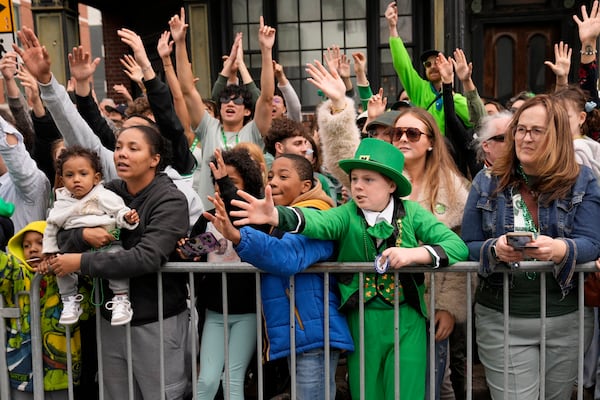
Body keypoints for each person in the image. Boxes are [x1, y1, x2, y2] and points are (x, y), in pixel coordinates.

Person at [228, 137, 468, 400]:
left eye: (368, 179)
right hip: (361, 321)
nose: (358, 187)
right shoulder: (346, 213)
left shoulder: (411, 213)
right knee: (367, 393)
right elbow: (318, 220)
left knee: (406, 393)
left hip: (408, 320)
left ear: (390, 184)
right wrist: (276, 216)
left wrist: (415, 254)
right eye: (354, 179)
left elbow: (456, 246)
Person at [461, 95, 600, 400]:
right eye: (520, 129)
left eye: (536, 130)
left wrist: (561, 249)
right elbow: (466, 245)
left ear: (558, 136)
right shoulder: (487, 181)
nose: (525, 137)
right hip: (502, 316)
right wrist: (493, 249)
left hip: (566, 316)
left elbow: (592, 242)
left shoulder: (583, 180)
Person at [44, 124, 191, 399]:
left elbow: (146, 256)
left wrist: (80, 262)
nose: (122, 154)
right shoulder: (106, 191)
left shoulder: (170, 200)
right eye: (119, 147)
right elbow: (59, 231)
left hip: (155, 319)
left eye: (133, 148)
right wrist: (83, 235)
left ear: (155, 159)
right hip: (110, 318)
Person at [205, 153, 354, 400]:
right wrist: (225, 185)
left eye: (283, 177)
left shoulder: (317, 215)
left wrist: (237, 237)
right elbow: (253, 231)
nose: (273, 182)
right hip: (299, 332)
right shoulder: (283, 215)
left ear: (306, 185)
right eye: (271, 176)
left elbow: (287, 257)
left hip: (312, 335)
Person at [170, 9, 276, 209]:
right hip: (209, 215)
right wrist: (180, 43)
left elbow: (267, 98)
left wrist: (266, 50)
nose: (229, 104)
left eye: (237, 101)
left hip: (247, 214)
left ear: (247, 111)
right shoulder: (209, 127)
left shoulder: (253, 131)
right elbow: (186, 90)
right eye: (225, 99)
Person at [182, 147, 264, 400]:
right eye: (217, 181)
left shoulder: (254, 215)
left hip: (248, 311)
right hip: (215, 310)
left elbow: (252, 231)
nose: (220, 187)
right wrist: (187, 250)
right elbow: (190, 252)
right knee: (206, 380)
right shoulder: (208, 217)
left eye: (228, 181)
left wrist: (225, 184)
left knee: (232, 380)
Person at [42, 146, 140, 326]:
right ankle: (70, 300)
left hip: (108, 243)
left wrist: (127, 218)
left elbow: (119, 212)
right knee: (59, 263)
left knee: (116, 257)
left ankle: (121, 299)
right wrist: (49, 252)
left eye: (83, 174)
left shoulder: (103, 195)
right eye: (70, 175)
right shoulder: (61, 202)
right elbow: (51, 227)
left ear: (96, 178)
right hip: (75, 249)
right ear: (62, 179)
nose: (76, 180)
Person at [0, 220, 92, 399]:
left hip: (61, 373)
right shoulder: (18, 275)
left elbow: (88, 307)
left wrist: (60, 270)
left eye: (40, 243)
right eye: (26, 246)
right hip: (22, 373)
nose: (32, 249)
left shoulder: (69, 278)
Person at [385, 1, 470, 135]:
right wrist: (392, 27)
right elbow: (403, 66)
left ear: (448, 65)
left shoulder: (457, 99)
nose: (433, 67)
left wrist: (465, 82)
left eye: (437, 62)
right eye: (428, 64)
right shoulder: (419, 90)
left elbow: (477, 120)